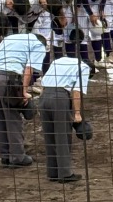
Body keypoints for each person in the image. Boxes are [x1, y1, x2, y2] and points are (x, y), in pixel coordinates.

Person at [0, 28, 46, 168]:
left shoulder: (11, 38)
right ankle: (18, 157)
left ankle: (5, 156)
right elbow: (29, 69)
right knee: (12, 117)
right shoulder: (38, 44)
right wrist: (24, 91)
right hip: (8, 79)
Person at [39, 38, 91, 183]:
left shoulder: (58, 61)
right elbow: (76, 91)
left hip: (44, 97)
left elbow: (44, 83)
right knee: (62, 135)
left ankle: (53, 172)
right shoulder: (84, 68)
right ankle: (65, 173)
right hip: (60, 98)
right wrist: (77, 114)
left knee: (49, 135)